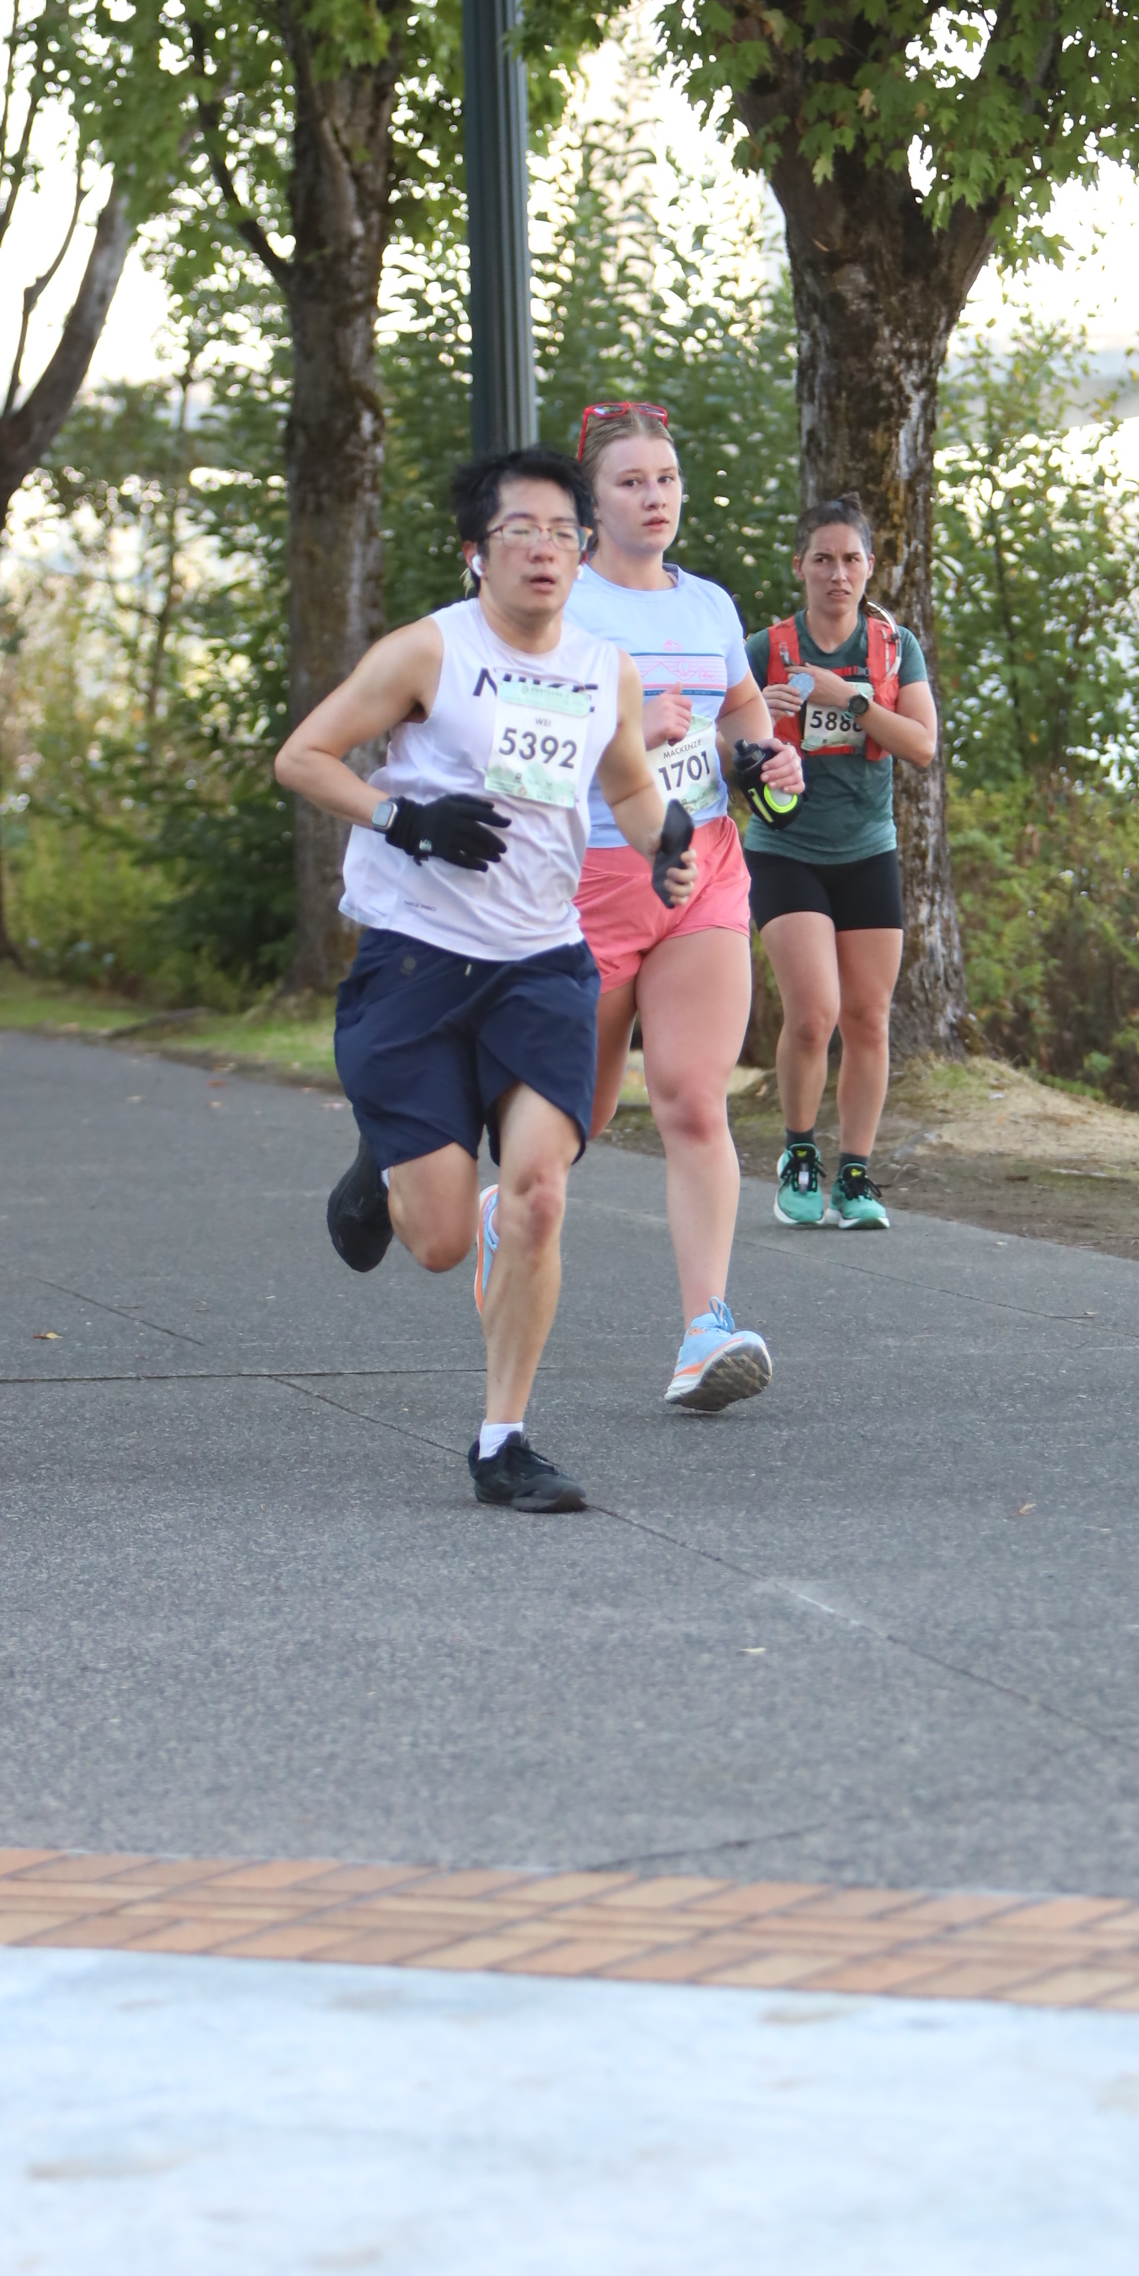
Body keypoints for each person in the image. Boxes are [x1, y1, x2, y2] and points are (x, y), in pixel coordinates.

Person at [275, 445, 698, 1514]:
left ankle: (502, 1441)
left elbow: (629, 787)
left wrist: (665, 839)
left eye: (563, 534)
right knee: (439, 1241)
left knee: (539, 1194)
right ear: (476, 552)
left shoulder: (604, 669)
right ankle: (381, 1170)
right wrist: (404, 818)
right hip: (416, 960)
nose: (545, 551)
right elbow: (303, 757)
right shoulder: (428, 651)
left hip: (541, 965)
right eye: (521, 533)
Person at [567, 398, 806, 1407]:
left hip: (703, 865)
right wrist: (626, 728)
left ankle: (706, 1330)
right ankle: (493, 1208)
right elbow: (510, 737)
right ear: (591, 501)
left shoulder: (707, 605)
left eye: (664, 479)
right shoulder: (561, 603)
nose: (653, 497)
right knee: (567, 1122)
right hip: (588, 875)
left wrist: (769, 758)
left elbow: (741, 710)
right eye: (630, 482)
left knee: (692, 1099)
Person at [745, 496, 937, 1230]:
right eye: (823, 559)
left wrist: (848, 700)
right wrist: (756, 730)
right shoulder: (764, 649)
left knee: (867, 1017)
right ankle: (799, 1154)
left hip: (867, 849)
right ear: (800, 567)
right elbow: (720, 748)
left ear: (869, 567)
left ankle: (855, 1174)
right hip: (786, 850)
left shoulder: (893, 647)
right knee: (814, 1013)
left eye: (851, 559)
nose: (838, 573)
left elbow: (921, 745)